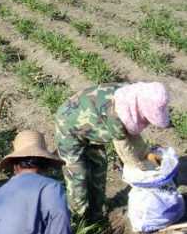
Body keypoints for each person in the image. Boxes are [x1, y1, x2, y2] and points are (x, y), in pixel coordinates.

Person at [54, 82, 171, 220]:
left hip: (93, 127)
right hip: (68, 127)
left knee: (99, 166)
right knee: (78, 176)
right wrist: (143, 168)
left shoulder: (131, 97)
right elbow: (126, 151)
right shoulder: (116, 114)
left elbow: (133, 136)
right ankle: (78, 219)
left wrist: (147, 153)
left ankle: (96, 210)